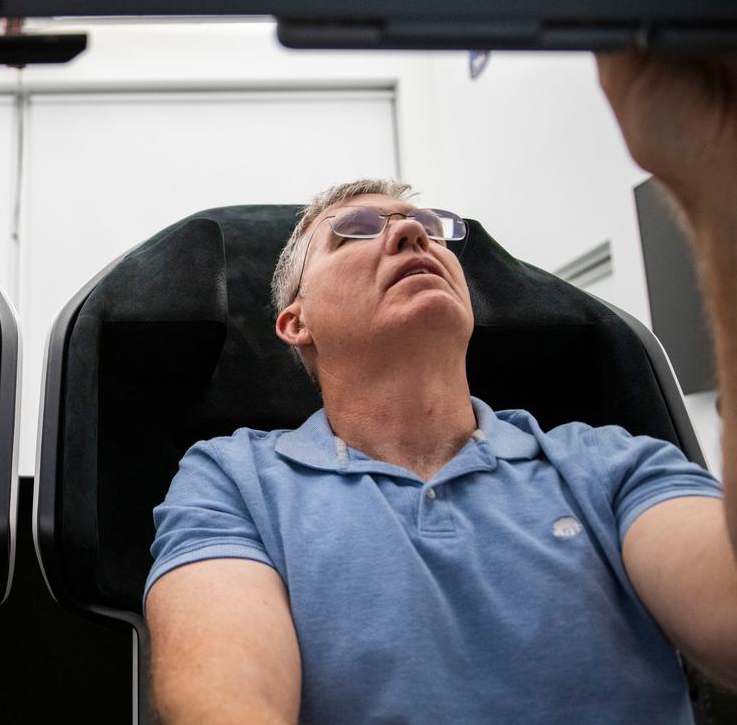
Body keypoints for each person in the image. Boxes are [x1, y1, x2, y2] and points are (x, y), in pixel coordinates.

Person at [144, 51, 737, 724]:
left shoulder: (610, 465)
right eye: (355, 232)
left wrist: (718, 182)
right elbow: (228, 707)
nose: (407, 232)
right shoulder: (232, 480)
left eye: (428, 228)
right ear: (295, 320)